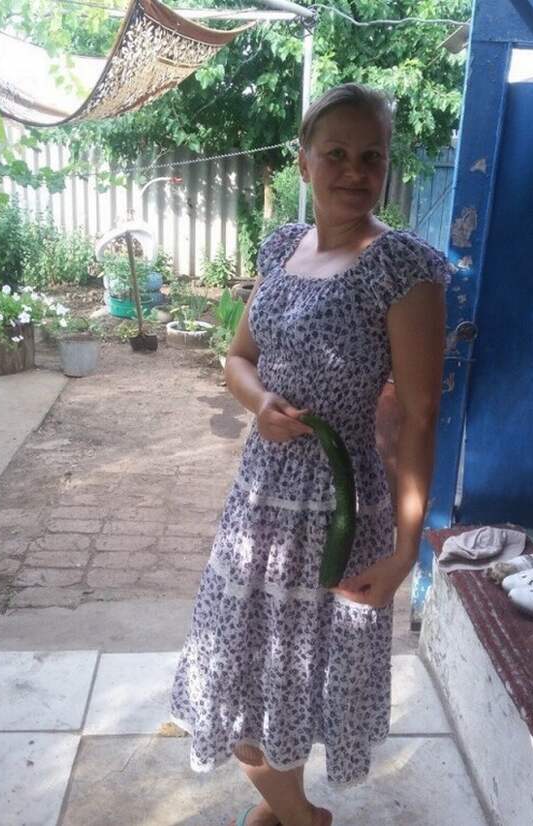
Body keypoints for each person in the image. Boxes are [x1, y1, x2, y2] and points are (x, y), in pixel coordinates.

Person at [169, 82, 451, 826]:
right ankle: (292, 810)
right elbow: (238, 358)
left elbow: (420, 415)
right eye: (337, 154)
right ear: (303, 162)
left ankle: (297, 816)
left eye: (372, 156)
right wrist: (260, 403)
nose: (355, 171)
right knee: (241, 666)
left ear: (387, 165)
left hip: (334, 508)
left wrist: (406, 552)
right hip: (258, 498)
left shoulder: (403, 269)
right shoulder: (282, 247)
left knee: (291, 668)